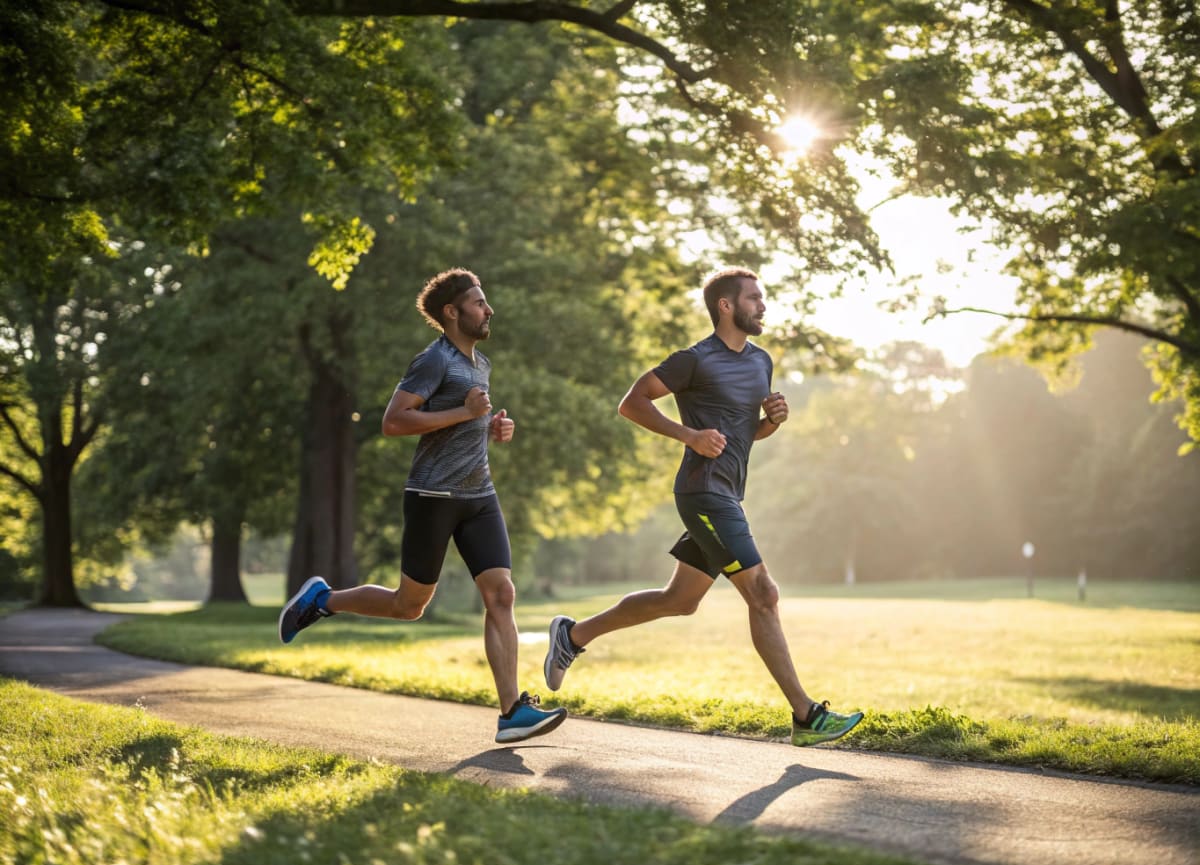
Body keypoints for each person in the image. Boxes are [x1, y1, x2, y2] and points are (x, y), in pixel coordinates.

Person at [542, 267, 863, 747]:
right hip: (703, 492)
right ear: (726, 306)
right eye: (754, 298)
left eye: (763, 298)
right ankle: (806, 716)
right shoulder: (694, 360)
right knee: (764, 594)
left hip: (728, 492)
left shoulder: (761, 362)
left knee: (680, 600)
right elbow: (631, 403)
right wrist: (687, 434)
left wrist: (771, 423)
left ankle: (572, 636)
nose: (763, 306)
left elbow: (741, 434)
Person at [280, 268, 566, 744]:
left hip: (480, 496)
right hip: (433, 496)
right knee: (408, 606)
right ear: (452, 313)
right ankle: (323, 599)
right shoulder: (433, 360)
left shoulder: (481, 364)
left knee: (502, 594)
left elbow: (461, 424)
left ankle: (512, 711)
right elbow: (394, 422)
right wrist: (464, 413)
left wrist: (491, 428)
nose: (488, 309)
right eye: (478, 303)